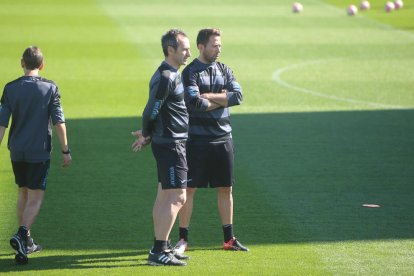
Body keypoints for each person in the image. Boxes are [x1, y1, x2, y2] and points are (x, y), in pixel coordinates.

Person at [174, 28, 249, 253]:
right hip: (196, 141)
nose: (218, 49)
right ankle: (183, 239)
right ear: (201, 46)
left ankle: (229, 239)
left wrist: (210, 97)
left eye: (219, 45)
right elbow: (196, 103)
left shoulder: (225, 69)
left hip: (223, 139)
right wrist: (222, 99)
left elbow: (239, 97)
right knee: (189, 189)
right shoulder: (190, 73)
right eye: (214, 45)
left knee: (226, 189)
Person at [0, 46, 72, 265]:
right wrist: (66, 150)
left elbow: (1, 123)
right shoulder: (50, 88)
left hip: (17, 151)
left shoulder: (10, 88)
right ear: (42, 65)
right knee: (36, 196)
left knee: (22, 191)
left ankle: (27, 241)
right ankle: (22, 234)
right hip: (38, 151)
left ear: (22, 63)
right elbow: (59, 121)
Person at [131, 29, 191, 266]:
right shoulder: (166, 76)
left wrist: (149, 135)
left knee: (164, 196)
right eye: (184, 49)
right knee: (177, 197)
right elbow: (151, 111)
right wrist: (147, 133)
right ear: (170, 50)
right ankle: (158, 251)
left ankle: (162, 246)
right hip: (171, 145)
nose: (188, 53)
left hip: (168, 142)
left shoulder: (170, 74)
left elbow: (158, 111)